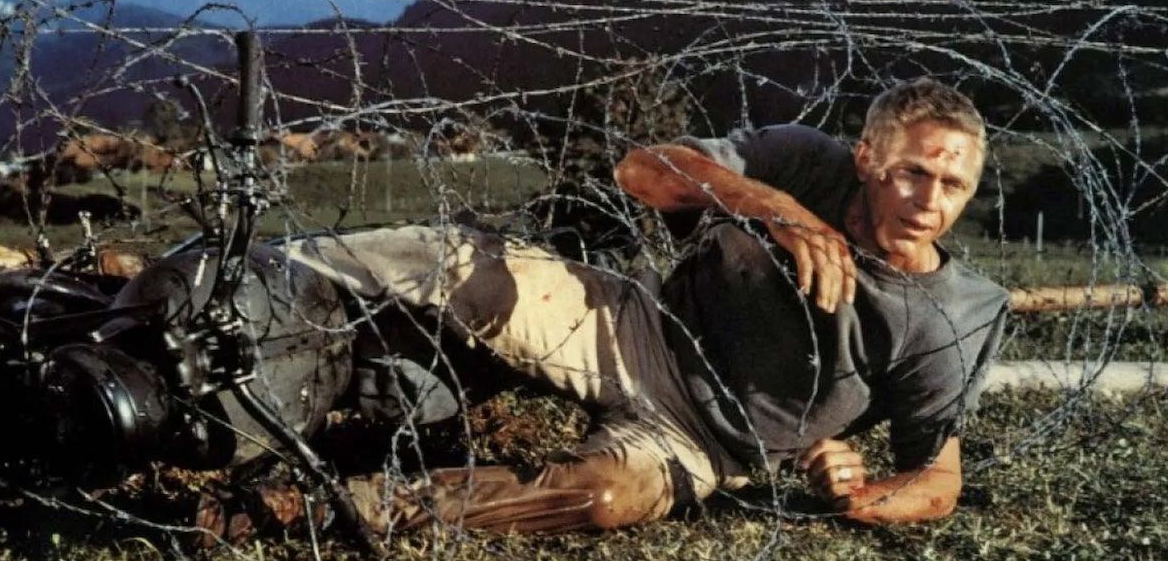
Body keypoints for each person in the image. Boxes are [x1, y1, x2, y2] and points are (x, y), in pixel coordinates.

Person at [196, 77, 1008, 542]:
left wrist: (856, 493)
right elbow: (641, 171)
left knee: (601, 499)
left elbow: (936, 478)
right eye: (911, 173)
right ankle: (249, 272)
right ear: (868, 158)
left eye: (952, 186)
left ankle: (324, 508)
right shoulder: (804, 161)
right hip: (641, 329)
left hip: (705, 443)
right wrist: (767, 204)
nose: (928, 202)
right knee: (464, 265)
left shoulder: (951, 314)